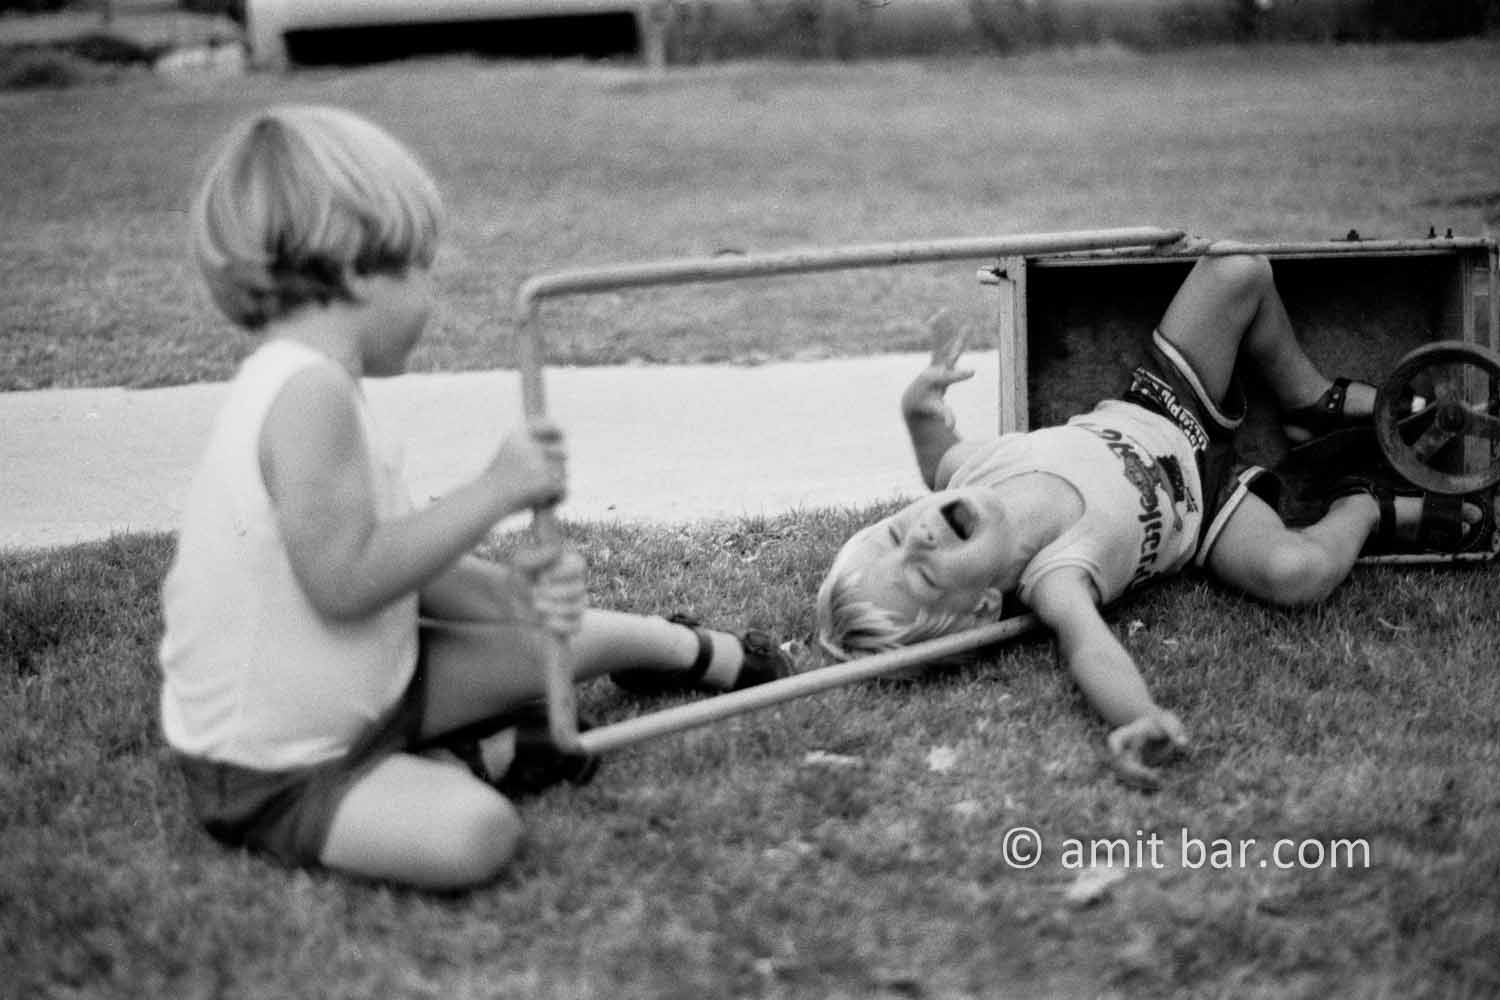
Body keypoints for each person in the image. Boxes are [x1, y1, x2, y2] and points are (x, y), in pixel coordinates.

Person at [159, 105, 791, 890]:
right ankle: (484, 756)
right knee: (476, 834)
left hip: (383, 686)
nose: (431, 297)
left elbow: (398, 560)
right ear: (357, 271)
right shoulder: (307, 396)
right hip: (284, 762)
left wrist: (509, 597)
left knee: (550, 639)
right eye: (421, 270)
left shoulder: (317, 386)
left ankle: (691, 650)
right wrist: (496, 489)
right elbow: (344, 581)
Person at [816, 252, 1479, 789]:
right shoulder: (1055, 578)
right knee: (1295, 573)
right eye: (925, 574)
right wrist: (1135, 718)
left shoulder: (972, 474)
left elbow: (935, 456)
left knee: (1236, 268)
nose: (921, 537)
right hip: (1207, 508)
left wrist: (917, 406)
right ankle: (1366, 507)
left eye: (896, 534)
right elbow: (1091, 651)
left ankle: (1307, 398)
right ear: (984, 606)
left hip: (1164, 407)